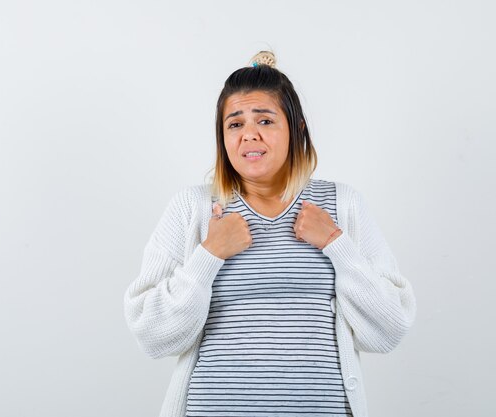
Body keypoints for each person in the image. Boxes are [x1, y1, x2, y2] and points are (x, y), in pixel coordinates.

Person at [123, 51, 416, 417]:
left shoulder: (343, 206)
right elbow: (151, 334)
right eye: (234, 124)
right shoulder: (193, 208)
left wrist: (337, 245)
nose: (249, 135)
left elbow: (389, 330)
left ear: (298, 128)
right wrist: (209, 254)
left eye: (265, 119)